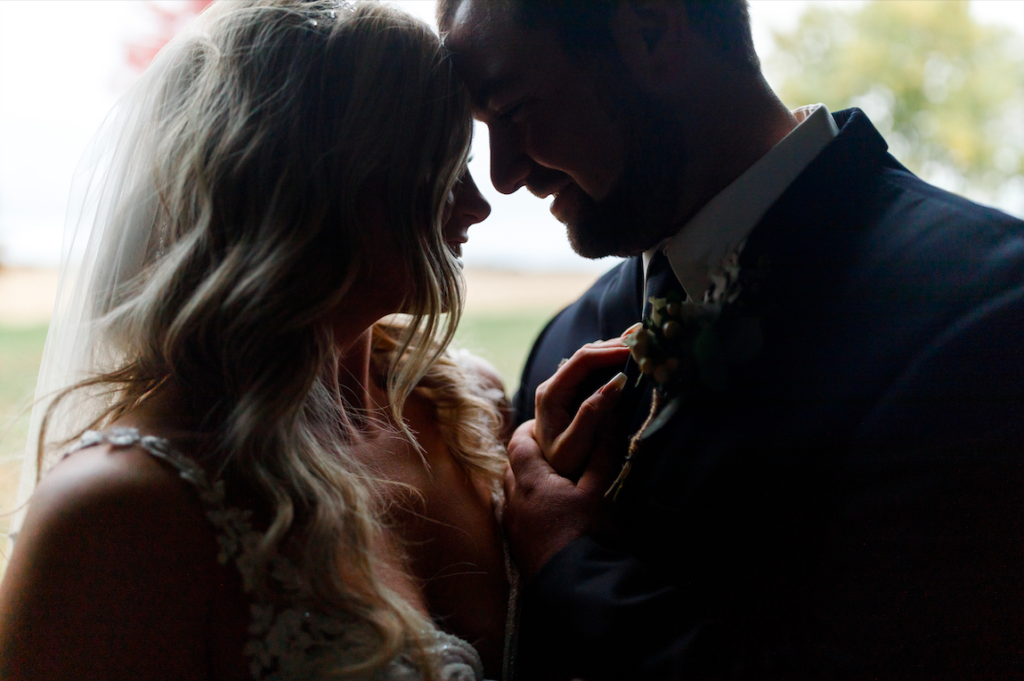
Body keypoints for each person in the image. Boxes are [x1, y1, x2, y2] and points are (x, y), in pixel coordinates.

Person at [439, 0, 1024, 678]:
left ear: (654, 30)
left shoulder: (986, 312)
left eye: (512, 109)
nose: (506, 175)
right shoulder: (564, 345)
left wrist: (570, 563)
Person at [0, 2, 513, 679]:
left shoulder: (467, 407)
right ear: (305, 185)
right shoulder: (119, 512)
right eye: (435, 167)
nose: (479, 204)